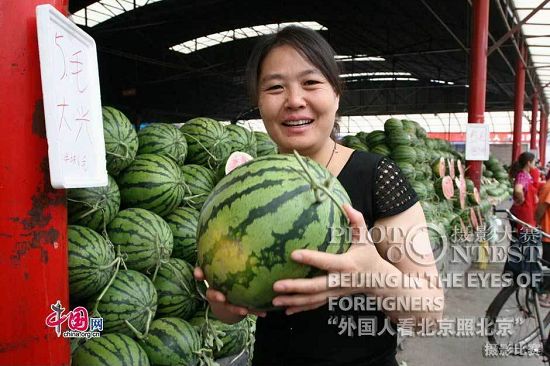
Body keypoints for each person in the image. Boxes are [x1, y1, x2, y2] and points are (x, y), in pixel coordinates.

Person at [194, 26, 444, 366]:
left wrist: (371, 272)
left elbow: (428, 316)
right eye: (275, 87)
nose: (294, 100)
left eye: (311, 83)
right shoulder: (245, 183)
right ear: (259, 102)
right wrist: (225, 303)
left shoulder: (377, 178)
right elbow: (232, 314)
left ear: (336, 95)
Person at [509, 152, 537, 231]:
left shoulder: (527, 174)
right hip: (523, 213)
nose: (535, 163)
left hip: (528, 211)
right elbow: (518, 190)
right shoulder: (523, 175)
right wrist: (522, 200)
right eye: (534, 161)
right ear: (528, 163)